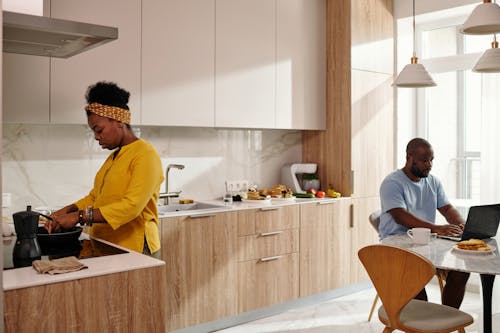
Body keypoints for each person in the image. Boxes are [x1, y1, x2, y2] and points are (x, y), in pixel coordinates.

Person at [45, 81, 164, 257]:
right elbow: (96, 197)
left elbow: (131, 206)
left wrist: (78, 217)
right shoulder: (114, 157)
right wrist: (67, 210)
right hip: (109, 245)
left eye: (99, 130)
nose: (96, 137)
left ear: (118, 120)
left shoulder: (145, 154)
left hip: (135, 248)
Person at [378, 137, 469, 309]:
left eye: (431, 160)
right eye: (424, 160)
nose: (429, 165)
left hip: (426, 244)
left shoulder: (433, 181)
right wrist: (436, 228)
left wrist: (463, 225)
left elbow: (447, 209)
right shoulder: (392, 183)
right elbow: (400, 215)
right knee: (415, 282)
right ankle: (422, 323)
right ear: (409, 158)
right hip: (397, 248)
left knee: (461, 271)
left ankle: (446, 319)